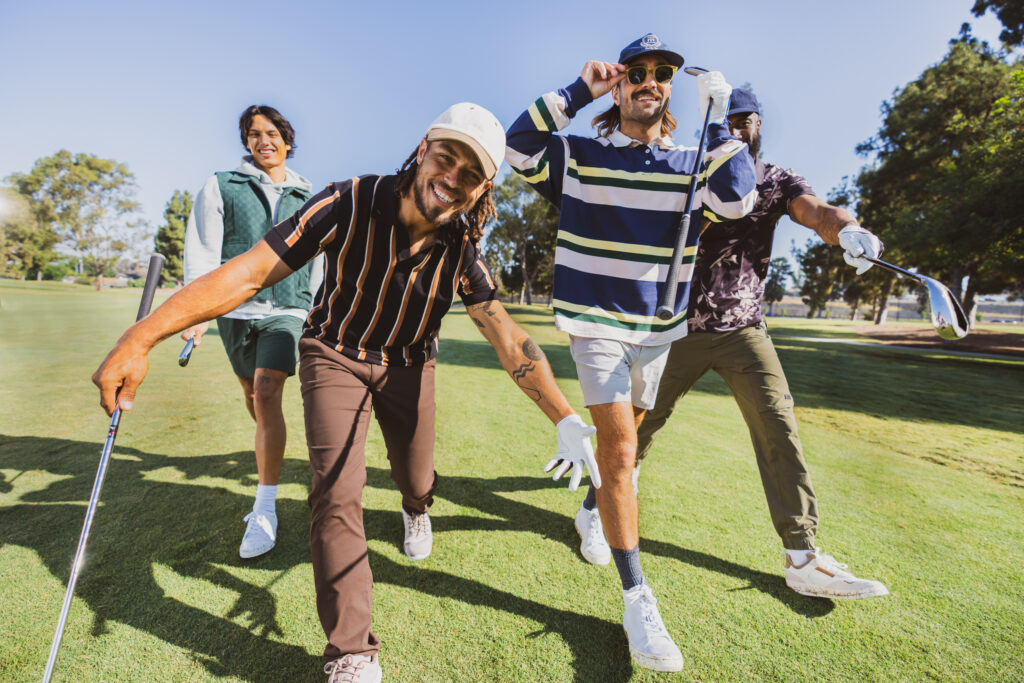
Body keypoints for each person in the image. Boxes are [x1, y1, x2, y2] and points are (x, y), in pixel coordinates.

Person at [92, 102, 599, 683]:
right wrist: (143, 335)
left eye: (470, 172)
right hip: (335, 354)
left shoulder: (462, 247)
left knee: (417, 477)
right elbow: (251, 272)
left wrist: (563, 416)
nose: (451, 178)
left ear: (484, 186)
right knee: (336, 493)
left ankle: (415, 509)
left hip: (409, 367)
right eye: (446, 157)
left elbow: (505, 334)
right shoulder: (348, 199)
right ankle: (351, 653)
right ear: (424, 146)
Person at [578, 87, 890, 601]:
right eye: (729, 119)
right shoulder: (689, 173)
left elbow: (817, 212)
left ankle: (803, 556)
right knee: (634, 431)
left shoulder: (775, 181)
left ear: (759, 125)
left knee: (778, 427)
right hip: (676, 327)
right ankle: (595, 509)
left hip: (744, 330)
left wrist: (849, 229)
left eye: (747, 119)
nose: (739, 127)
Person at [506, 34, 756, 672]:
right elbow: (518, 147)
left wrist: (722, 121)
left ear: (670, 86)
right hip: (595, 323)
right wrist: (577, 90)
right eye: (636, 73)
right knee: (618, 452)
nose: (649, 82)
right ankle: (637, 596)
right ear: (619, 86)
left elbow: (738, 200)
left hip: (658, 328)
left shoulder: (692, 158)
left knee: (629, 443)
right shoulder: (583, 154)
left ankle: (594, 507)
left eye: (660, 74)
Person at [180, 104, 323, 559]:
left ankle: (265, 506)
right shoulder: (221, 185)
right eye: (254, 134)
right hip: (234, 310)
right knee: (253, 397)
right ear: (246, 141)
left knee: (266, 391)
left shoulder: (308, 193)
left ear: (286, 138)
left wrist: (315, 306)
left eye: (272, 133)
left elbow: (319, 258)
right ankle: (271, 455)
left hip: (289, 309)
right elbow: (203, 249)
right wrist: (197, 312)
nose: (265, 141)